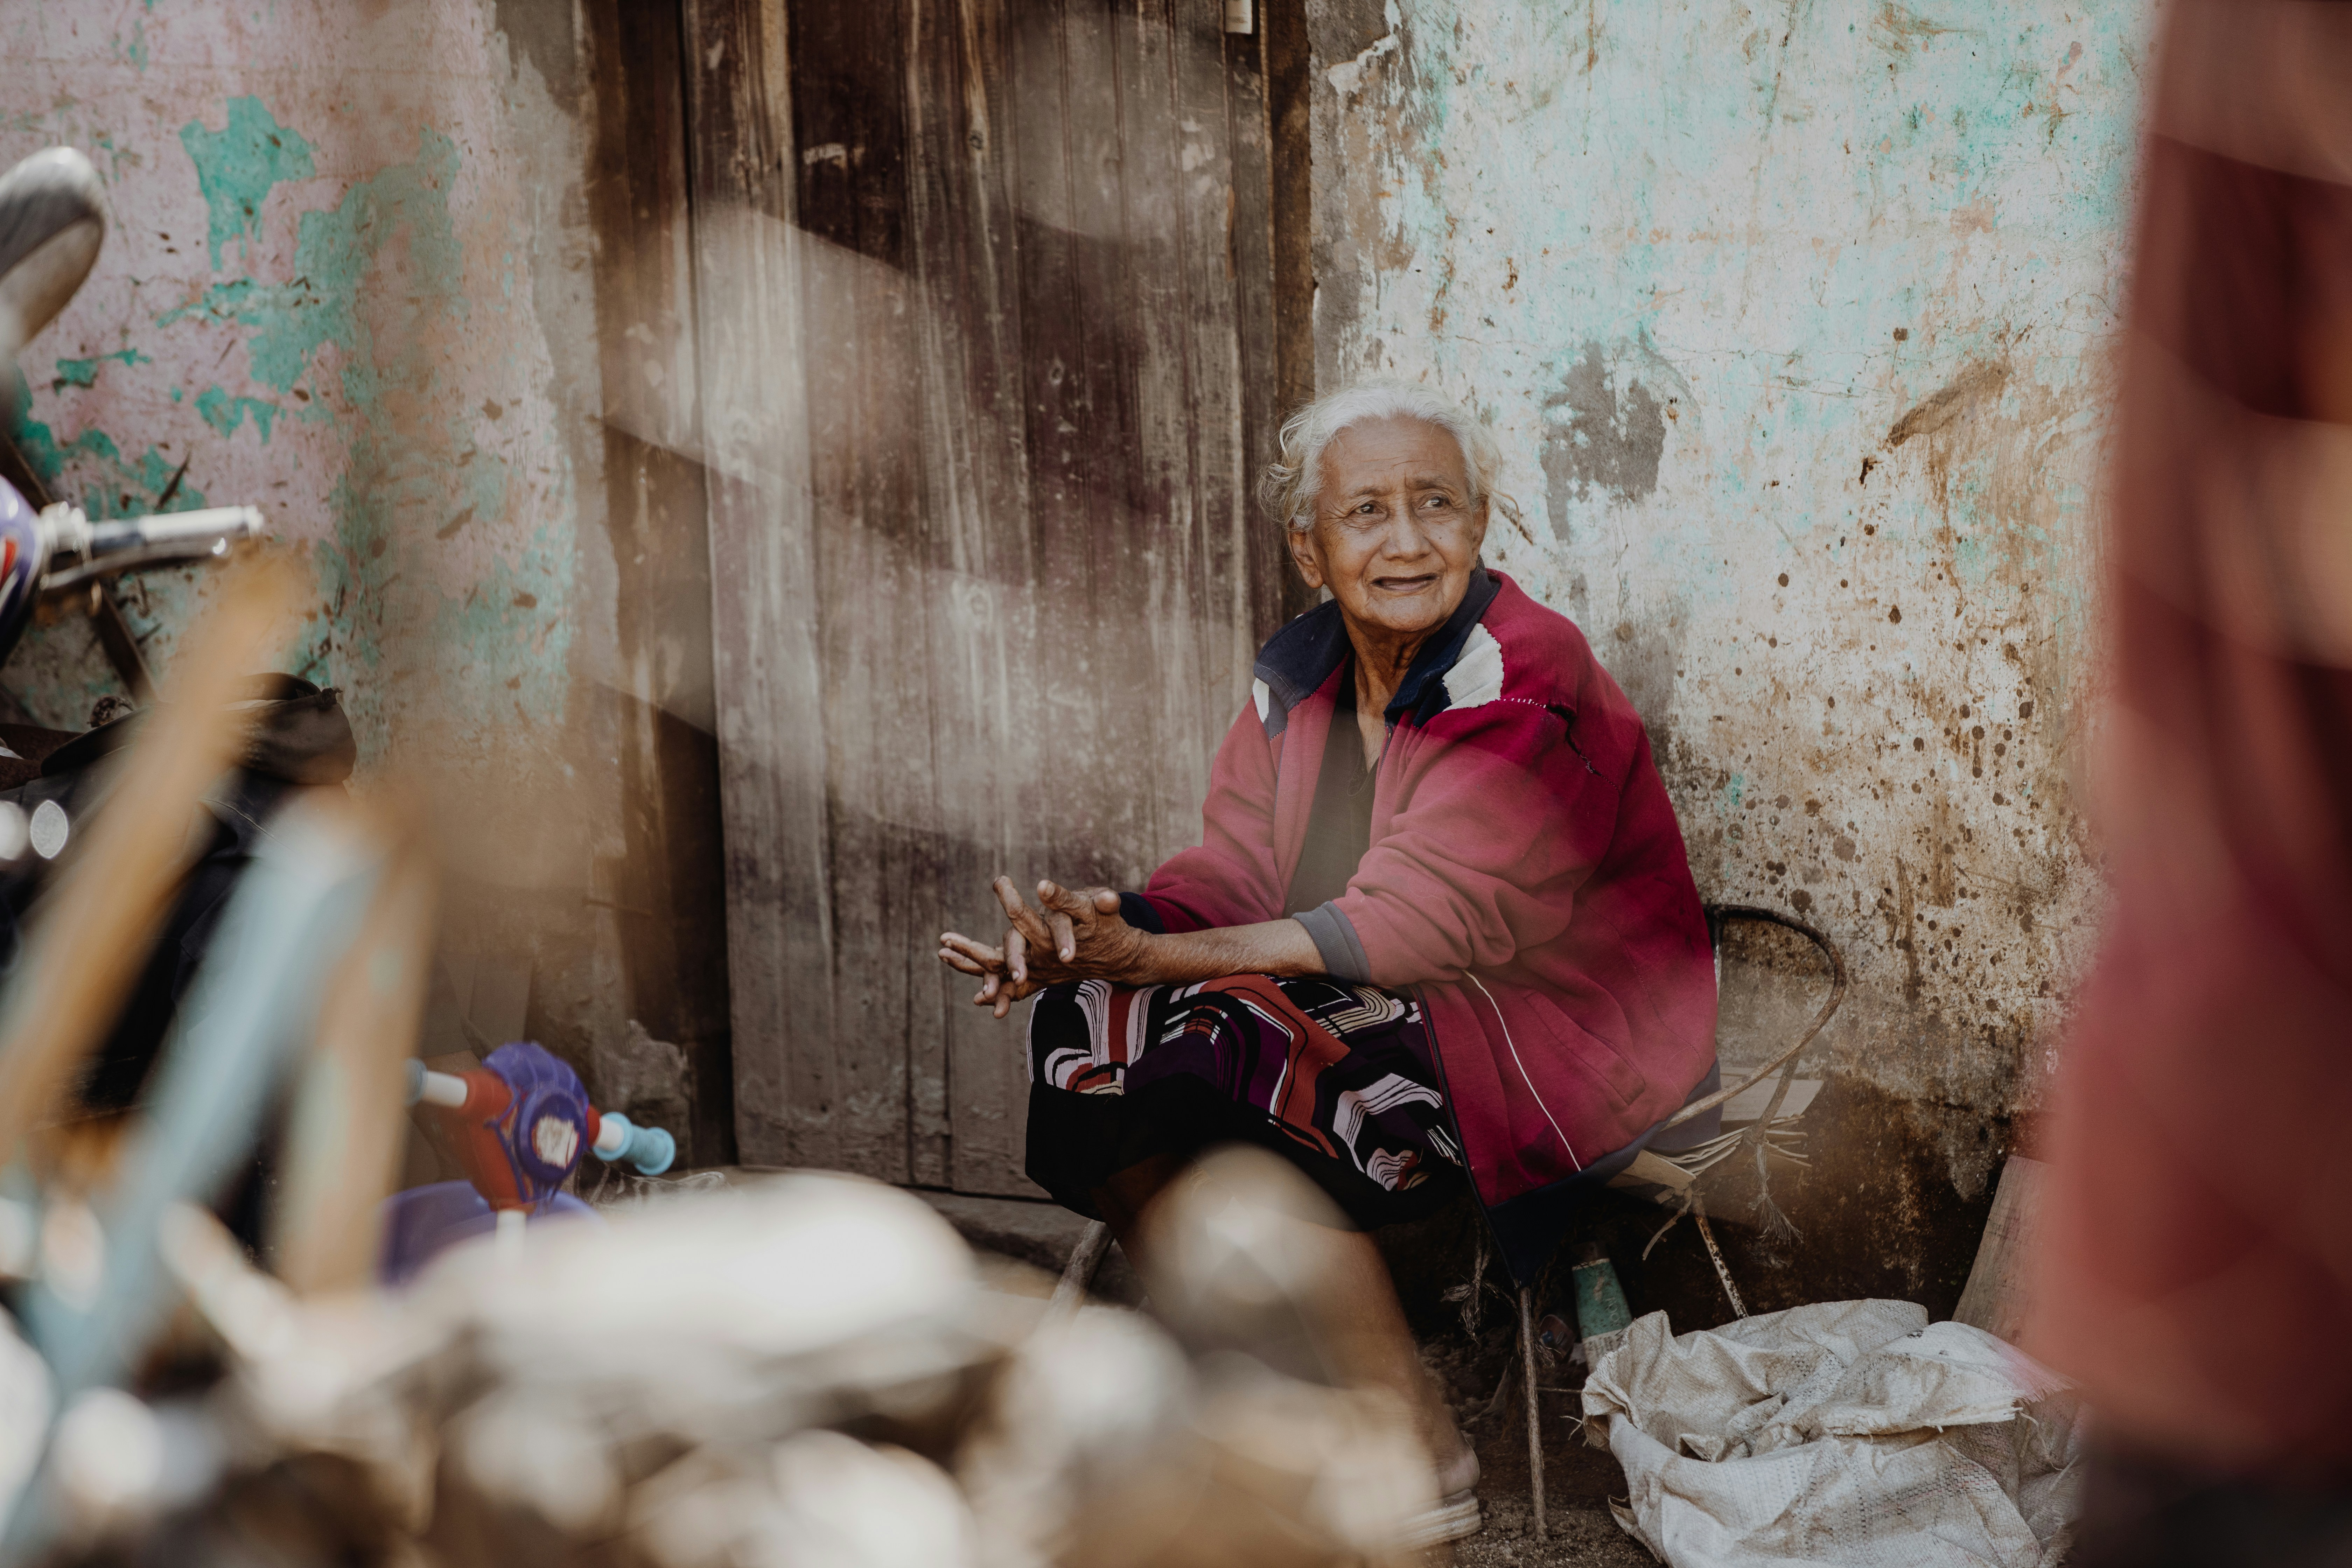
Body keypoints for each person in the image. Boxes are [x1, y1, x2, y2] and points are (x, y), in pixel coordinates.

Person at [937, 380, 1718, 1540]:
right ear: (1312, 546)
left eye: (1435, 505)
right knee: (1089, 1032)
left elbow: (1425, 922)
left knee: (1241, 1042)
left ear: (1480, 523)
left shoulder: (1518, 670)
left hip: (1559, 1031)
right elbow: (1240, 864)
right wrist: (1101, 941)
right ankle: (1277, 1393)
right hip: (1384, 1001)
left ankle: (1413, 1447)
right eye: (1367, 513)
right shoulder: (1298, 672)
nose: (1406, 541)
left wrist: (1165, 957)